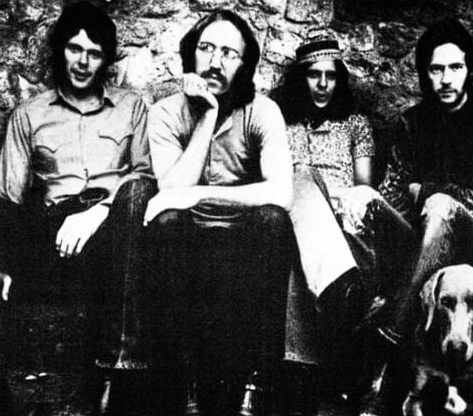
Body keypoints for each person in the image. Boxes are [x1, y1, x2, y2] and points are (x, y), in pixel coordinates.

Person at [0, 2, 156, 415]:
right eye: (75, 49)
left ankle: (117, 370)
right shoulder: (30, 114)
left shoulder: (132, 107)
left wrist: (99, 212)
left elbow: (146, 175)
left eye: (94, 53)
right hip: (56, 229)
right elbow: (6, 195)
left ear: (106, 60)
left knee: (135, 196)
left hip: (114, 221)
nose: (83, 62)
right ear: (60, 50)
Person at [357, 17, 473, 415]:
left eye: (455, 67)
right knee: (368, 201)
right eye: (435, 69)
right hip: (419, 247)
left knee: (441, 205)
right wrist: (419, 207)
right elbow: (393, 194)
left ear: (470, 70)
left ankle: (384, 348)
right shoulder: (410, 123)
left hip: (472, 251)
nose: (446, 79)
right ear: (424, 73)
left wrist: (429, 192)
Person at [145, 9, 293, 416]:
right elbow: (171, 192)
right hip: (188, 235)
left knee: (273, 221)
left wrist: (198, 195)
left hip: (242, 236)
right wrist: (208, 114)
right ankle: (186, 386)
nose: (214, 61)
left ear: (245, 65)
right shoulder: (165, 112)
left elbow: (281, 193)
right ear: (190, 55)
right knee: (167, 222)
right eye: (206, 48)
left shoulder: (263, 111)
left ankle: (254, 384)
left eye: (229, 53)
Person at [272, 35, 414, 411]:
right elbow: (280, 185)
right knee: (300, 179)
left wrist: (333, 200)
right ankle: (341, 293)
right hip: (302, 224)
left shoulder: (355, 125)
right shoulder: (282, 126)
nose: (323, 84)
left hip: (349, 229)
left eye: (331, 76)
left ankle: (301, 377)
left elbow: (362, 190)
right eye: (313, 75)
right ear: (300, 79)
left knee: (301, 246)